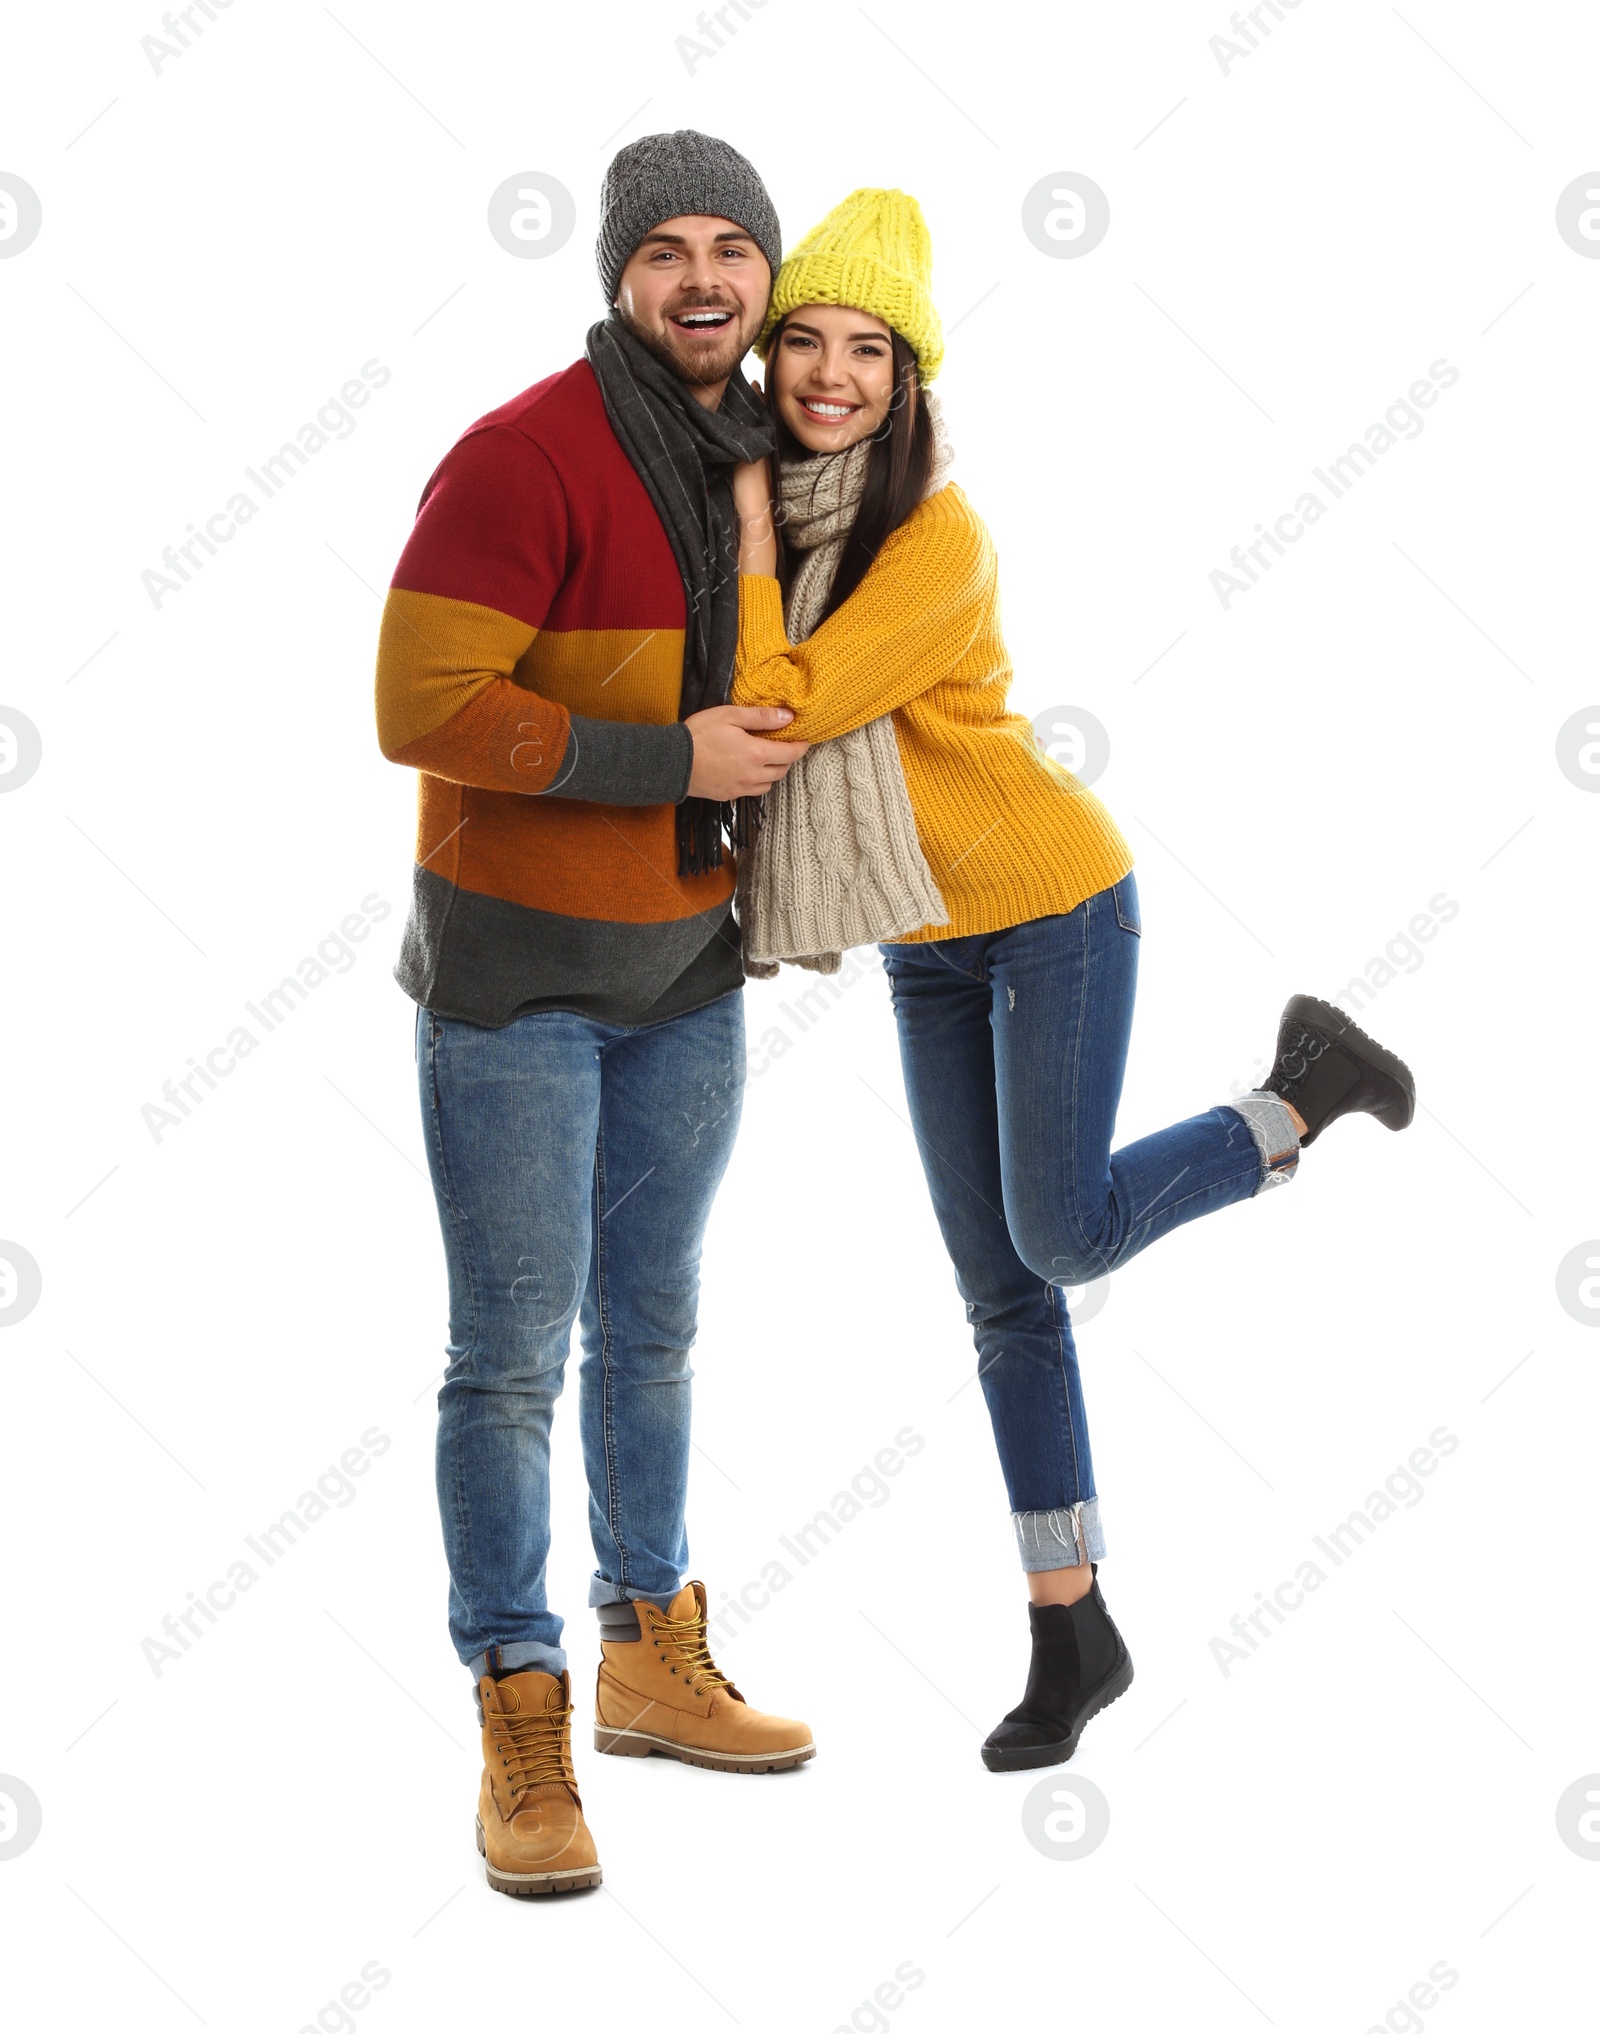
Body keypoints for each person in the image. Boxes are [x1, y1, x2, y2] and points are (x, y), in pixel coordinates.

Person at [728, 188, 1416, 1774]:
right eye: (805, 344)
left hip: (1050, 901)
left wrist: (755, 540)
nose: (831, 373)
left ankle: (1300, 1091)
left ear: (909, 383)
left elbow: (782, 702)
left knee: (1057, 1227)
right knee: (1003, 1297)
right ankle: (1070, 1624)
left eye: (866, 352)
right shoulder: (774, 520)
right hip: (927, 940)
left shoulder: (929, 539)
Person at [374, 130, 816, 1901]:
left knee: (655, 1333)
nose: (703, 279)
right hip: (513, 986)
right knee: (510, 1356)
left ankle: (651, 1643)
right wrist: (671, 759)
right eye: (668, 252)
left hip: (687, 972)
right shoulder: (524, 454)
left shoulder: (753, 461)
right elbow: (419, 701)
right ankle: (523, 1706)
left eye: (732, 248)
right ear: (621, 276)